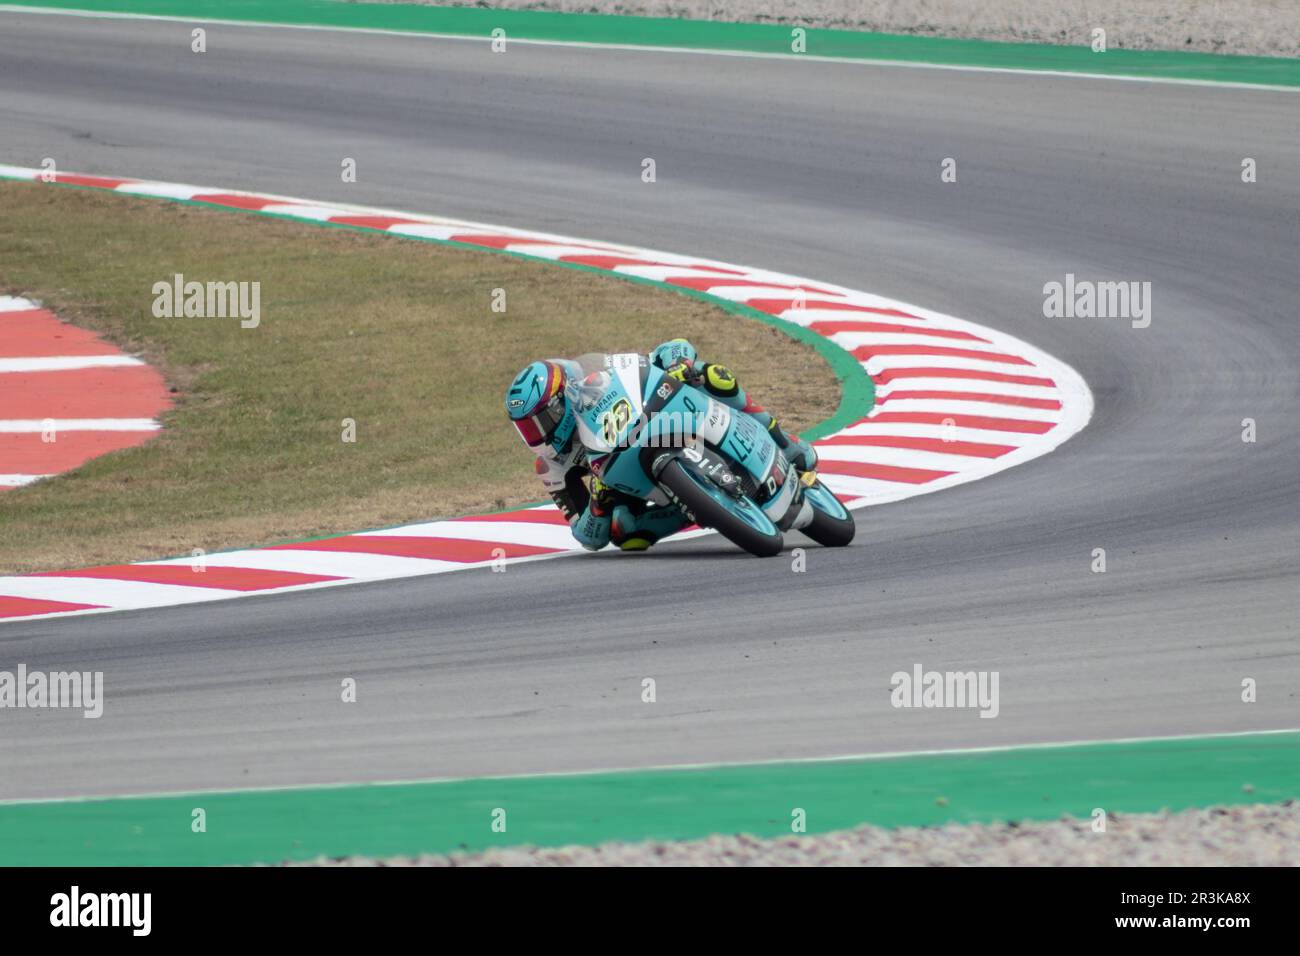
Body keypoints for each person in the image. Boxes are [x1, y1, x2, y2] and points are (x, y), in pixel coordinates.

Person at [503, 339, 816, 551]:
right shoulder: (552, 465)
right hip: (635, 486)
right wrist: (598, 504)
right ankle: (703, 507)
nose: (535, 435)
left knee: (713, 375)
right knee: (623, 533)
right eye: (525, 428)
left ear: (561, 402)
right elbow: (586, 537)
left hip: (657, 421)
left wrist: (679, 363)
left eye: (538, 422)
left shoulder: (594, 383)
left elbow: (669, 349)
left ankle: (784, 442)